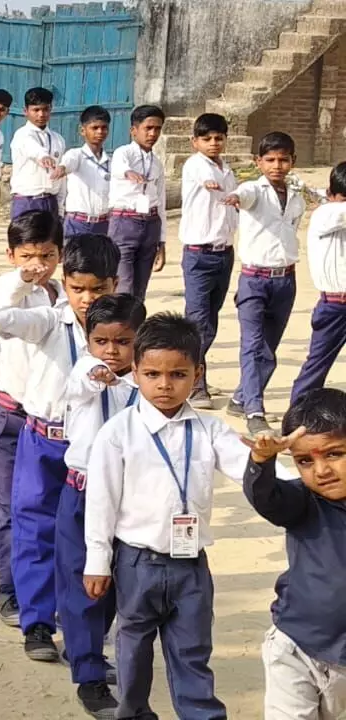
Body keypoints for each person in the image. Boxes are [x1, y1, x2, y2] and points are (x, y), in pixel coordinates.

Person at [84, 312, 250, 720]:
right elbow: (102, 502)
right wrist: (97, 561)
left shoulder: (210, 430)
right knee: (133, 649)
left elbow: (248, 467)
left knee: (193, 650)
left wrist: (287, 474)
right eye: (152, 374)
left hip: (191, 565)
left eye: (178, 374)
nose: (164, 385)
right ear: (135, 371)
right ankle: (133, 712)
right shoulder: (118, 433)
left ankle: (201, 715)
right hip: (136, 562)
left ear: (198, 374)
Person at [0, 232, 119, 662]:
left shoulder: (123, 332)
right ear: (64, 283)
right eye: (78, 288)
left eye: (98, 289)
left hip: (95, 452)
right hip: (43, 441)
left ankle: (84, 634)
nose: (87, 299)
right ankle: (36, 622)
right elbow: (22, 321)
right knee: (34, 529)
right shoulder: (52, 320)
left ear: (115, 284)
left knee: (91, 539)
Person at [56, 292, 147, 718]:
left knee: (116, 585)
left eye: (123, 342)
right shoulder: (83, 369)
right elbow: (85, 380)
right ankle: (89, 674)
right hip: (84, 493)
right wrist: (98, 374)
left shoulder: (148, 383)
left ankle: (90, 649)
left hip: (129, 499)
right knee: (83, 583)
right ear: (88, 340)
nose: (111, 351)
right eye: (101, 341)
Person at [245, 388, 346, 719]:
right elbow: (266, 497)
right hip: (296, 649)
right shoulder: (301, 502)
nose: (321, 470)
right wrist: (262, 462)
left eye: (334, 454)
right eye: (305, 461)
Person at [0, 211, 65, 622]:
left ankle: (49, 591)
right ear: (11, 256)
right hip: (13, 414)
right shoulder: (10, 289)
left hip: (54, 423)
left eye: (47, 256)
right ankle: (9, 590)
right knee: (8, 507)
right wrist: (23, 277)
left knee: (50, 511)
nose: (38, 265)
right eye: (28, 256)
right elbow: (5, 303)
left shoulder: (67, 296)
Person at [227, 131, 303, 436]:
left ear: (292, 161)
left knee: (269, 351)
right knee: (252, 345)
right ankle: (254, 410)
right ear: (258, 162)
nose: (277, 166)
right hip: (254, 280)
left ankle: (240, 397)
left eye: (283, 160)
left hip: (285, 280)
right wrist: (235, 198)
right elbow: (244, 195)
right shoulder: (253, 190)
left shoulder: (295, 195)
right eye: (270, 159)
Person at [178, 113, 239, 410]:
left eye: (218, 138)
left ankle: (194, 370)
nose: (213, 143)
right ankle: (193, 385)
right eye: (207, 138)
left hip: (223, 252)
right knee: (198, 322)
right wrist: (213, 185)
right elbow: (206, 180)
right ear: (195, 142)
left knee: (211, 323)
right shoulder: (195, 166)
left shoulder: (228, 171)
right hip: (199, 254)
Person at [292, 163, 346, 403]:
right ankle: (298, 415)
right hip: (335, 305)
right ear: (330, 194)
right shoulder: (326, 214)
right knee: (316, 367)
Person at [107, 105, 167, 299]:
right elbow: (119, 167)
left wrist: (162, 241)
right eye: (148, 128)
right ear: (134, 130)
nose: (153, 134)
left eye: (157, 129)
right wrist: (128, 173)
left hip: (150, 223)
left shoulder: (157, 163)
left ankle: (136, 318)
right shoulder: (123, 153)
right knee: (123, 285)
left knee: (141, 287)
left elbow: (161, 202)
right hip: (125, 222)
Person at [53, 105, 112, 237]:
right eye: (95, 128)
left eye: (104, 128)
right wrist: (62, 168)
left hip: (103, 223)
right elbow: (69, 162)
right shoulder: (76, 154)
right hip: (78, 223)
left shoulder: (109, 161)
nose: (100, 132)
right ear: (82, 130)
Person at [9, 87, 65, 218]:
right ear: (26, 111)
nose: (41, 114)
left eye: (45, 109)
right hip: (27, 201)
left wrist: (61, 208)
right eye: (36, 110)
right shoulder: (22, 134)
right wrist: (43, 155)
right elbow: (32, 148)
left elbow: (62, 177)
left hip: (51, 200)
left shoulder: (58, 139)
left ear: (51, 109)